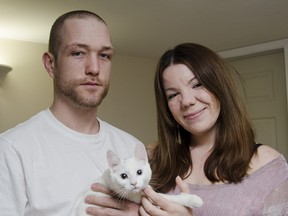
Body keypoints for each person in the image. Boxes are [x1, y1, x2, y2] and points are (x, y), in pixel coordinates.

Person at [0, 10, 142, 216]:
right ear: (51, 64)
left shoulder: (130, 147)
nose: (94, 68)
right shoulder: (12, 150)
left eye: (104, 55)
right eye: (78, 53)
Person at [139, 43, 288, 216]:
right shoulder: (155, 158)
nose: (186, 101)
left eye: (197, 85)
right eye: (173, 95)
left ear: (220, 87)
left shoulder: (267, 165)